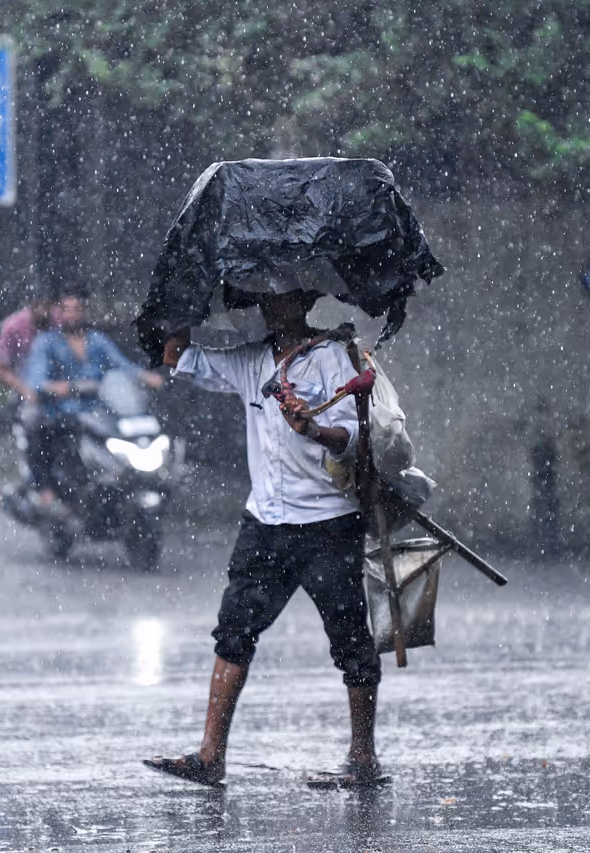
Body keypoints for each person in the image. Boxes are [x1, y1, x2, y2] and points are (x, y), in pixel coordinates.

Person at [143, 289, 383, 789]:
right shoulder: (251, 362)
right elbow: (180, 358)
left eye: (285, 297)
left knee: (351, 640)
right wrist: (177, 304)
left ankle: (363, 759)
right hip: (266, 524)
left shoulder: (332, 358)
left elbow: (353, 435)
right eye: (267, 298)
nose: (275, 307)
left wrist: (313, 429)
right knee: (233, 632)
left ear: (304, 301)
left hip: (328, 523)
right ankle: (211, 757)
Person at [24, 291, 164, 515]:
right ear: (59, 313)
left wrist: (147, 378)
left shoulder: (97, 341)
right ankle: (47, 490)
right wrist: (60, 388)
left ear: (84, 312)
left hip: (97, 414)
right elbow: (36, 382)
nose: (72, 315)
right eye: (67, 309)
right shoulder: (47, 343)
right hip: (62, 413)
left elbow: (121, 365)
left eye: (77, 309)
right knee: (42, 435)